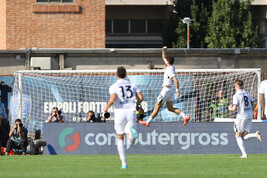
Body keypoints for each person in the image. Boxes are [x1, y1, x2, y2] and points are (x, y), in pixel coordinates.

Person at [139, 46, 190, 127]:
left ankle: (147, 122)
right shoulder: (171, 66)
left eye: (166, 60)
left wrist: (177, 90)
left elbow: (176, 80)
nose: (164, 60)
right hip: (170, 90)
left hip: (166, 90)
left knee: (157, 107)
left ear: (168, 62)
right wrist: (163, 50)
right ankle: (185, 116)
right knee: (170, 108)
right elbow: (164, 57)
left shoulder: (170, 70)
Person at [104, 66, 144, 169]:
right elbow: (141, 98)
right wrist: (136, 103)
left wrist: (107, 107)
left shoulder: (114, 86)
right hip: (131, 111)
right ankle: (131, 136)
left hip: (120, 112)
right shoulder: (133, 85)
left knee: (120, 137)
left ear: (116, 75)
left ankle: (124, 163)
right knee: (130, 135)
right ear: (126, 74)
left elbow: (112, 99)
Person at [228, 80, 263, 158]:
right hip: (249, 116)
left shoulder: (236, 95)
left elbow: (234, 108)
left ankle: (244, 154)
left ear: (236, 86)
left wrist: (230, 108)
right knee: (243, 136)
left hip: (241, 117)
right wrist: (251, 110)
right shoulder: (247, 93)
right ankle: (255, 134)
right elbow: (254, 103)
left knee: (237, 135)